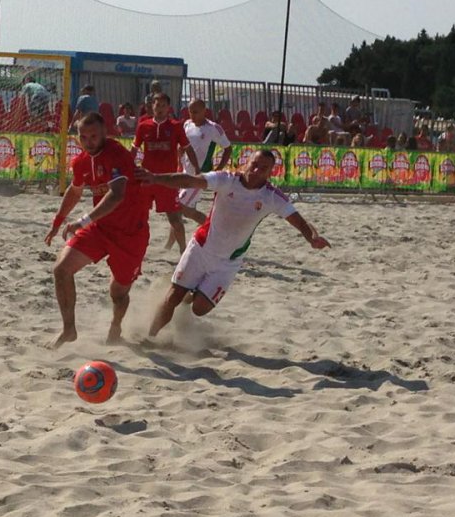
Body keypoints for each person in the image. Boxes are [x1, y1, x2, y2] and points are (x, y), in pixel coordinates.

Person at [137, 149, 330, 338]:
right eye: (254, 164)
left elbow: (299, 221)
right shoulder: (226, 180)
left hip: (228, 262)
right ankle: (150, 337)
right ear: (246, 162)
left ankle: (190, 292)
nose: (256, 171)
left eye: (263, 168)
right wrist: (155, 178)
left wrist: (312, 237)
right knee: (173, 297)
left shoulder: (271, 196)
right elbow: (191, 180)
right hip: (201, 248)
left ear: (271, 172)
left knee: (199, 309)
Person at [44, 112, 153, 348]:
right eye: (84, 137)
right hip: (101, 228)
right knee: (61, 270)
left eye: (93, 136)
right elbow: (75, 191)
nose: (89, 141)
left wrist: (81, 221)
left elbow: (117, 195)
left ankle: (115, 327)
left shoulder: (117, 155)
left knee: (118, 294)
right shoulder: (81, 162)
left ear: (105, 132)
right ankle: (69, 330)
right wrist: (57, 223)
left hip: (131, 235)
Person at [132, 92, 199, 254]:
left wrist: (197, 168)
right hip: (146, 178)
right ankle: (137, 249)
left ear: (168, 108)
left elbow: (188, 148)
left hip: (168, 180)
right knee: (139, 217)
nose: (160, 108)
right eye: (157, 105)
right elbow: (134, 149)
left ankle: (183, 252)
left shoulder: (176, 126)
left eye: (163, 105)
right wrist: (127, 166)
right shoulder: (144, 126)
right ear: (152, 106)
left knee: (175, 219)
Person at [175, 98, 233, 231]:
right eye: (190, 112)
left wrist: (218, 169)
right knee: (184, 212)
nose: (192, 115)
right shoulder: (187, 125)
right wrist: (179, 160)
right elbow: (182, 146)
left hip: (199, 176)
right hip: (184, 173)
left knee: (178, 207)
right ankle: (211, 229)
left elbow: (228, 148)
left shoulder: (213, 128)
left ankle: (213, 229)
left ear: (204, 111)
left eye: (195, 112)